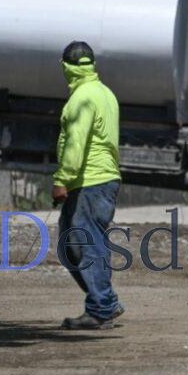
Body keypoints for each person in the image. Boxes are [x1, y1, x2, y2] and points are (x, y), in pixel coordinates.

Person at [53, 41, 124, 330]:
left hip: (89, 181)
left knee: (84, 244)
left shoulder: (82, 98)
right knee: (72, 245)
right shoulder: (105, 94)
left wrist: (61, 179)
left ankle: (101, 308)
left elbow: (76, 143)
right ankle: (104, 301)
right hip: (100, 180)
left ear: (66, 67)